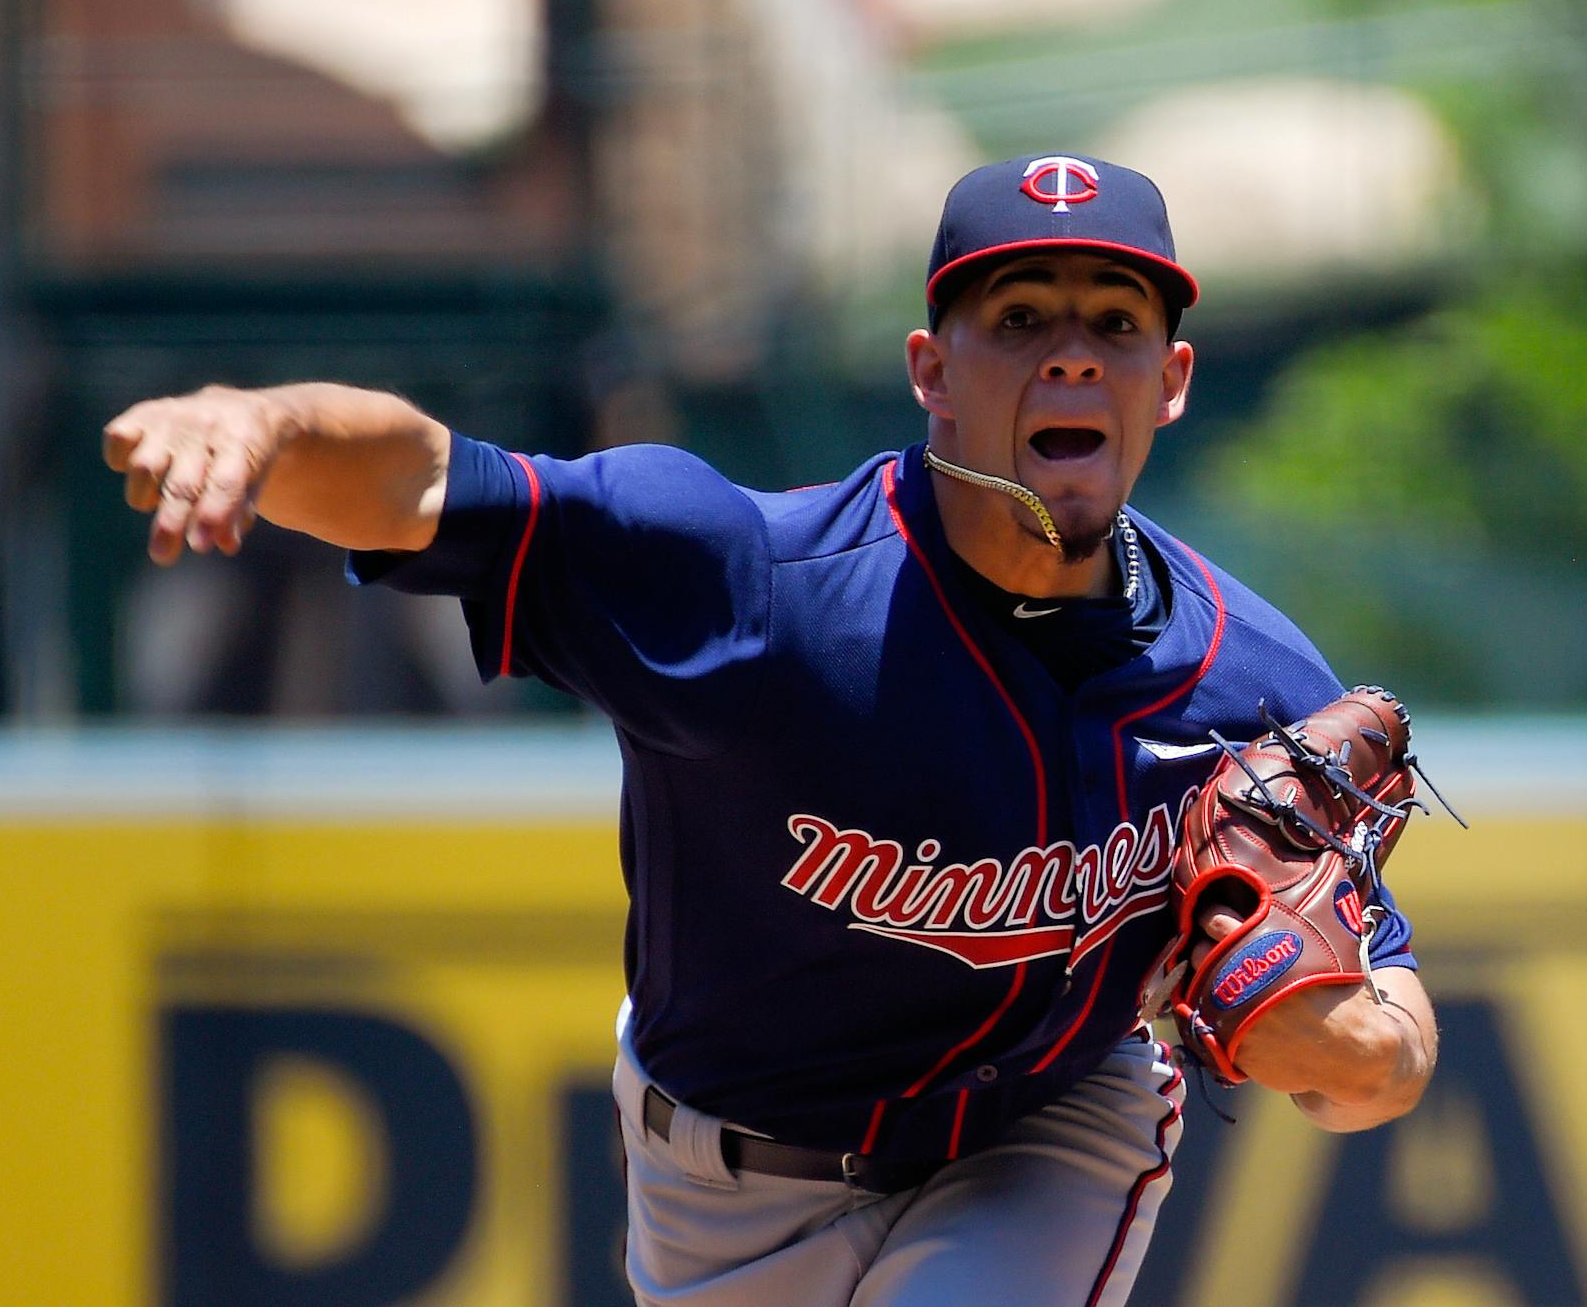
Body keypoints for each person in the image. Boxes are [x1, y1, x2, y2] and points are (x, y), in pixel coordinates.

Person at [103, 154, 1439, 1305]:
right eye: (1018, 317)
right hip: (725, 1181)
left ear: (1174, 381)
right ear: (932, 373)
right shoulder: (748, 586)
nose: (1072, 351)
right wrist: (260, 423)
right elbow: (426, 481)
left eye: (1115, 323)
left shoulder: (1245, 681)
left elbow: (1385, 1033)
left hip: (1044, 1133)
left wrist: (1362, 1050)